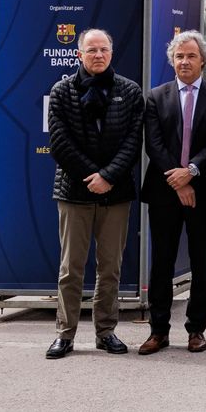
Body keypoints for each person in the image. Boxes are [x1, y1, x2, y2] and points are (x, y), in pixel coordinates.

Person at [45, 28, 143, 360]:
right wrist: (93, 176)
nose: (98, 55)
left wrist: (108, 176)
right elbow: (59, 143)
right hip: (74, 191)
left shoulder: (130, 91)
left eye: (103, 49)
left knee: (110, 267)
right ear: (79, 55)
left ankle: (106, 331)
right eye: (91, 50)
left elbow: (133, 142)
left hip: (116, 194)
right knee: (71, 267)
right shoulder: (61, 91)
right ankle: (65, 333)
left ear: (111, 54)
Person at [139, 31, 206, 355]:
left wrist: (190, 173)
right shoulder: (155, 97)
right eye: (179, 56)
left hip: (203, 190)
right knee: (162, 261)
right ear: (172, 61)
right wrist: (177, 181)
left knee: (202, 261)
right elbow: (154, 143)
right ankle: (158, 330)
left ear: (203, 60)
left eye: (191, 56)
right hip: (164, 192)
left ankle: (196, 330)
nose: (185, 61)